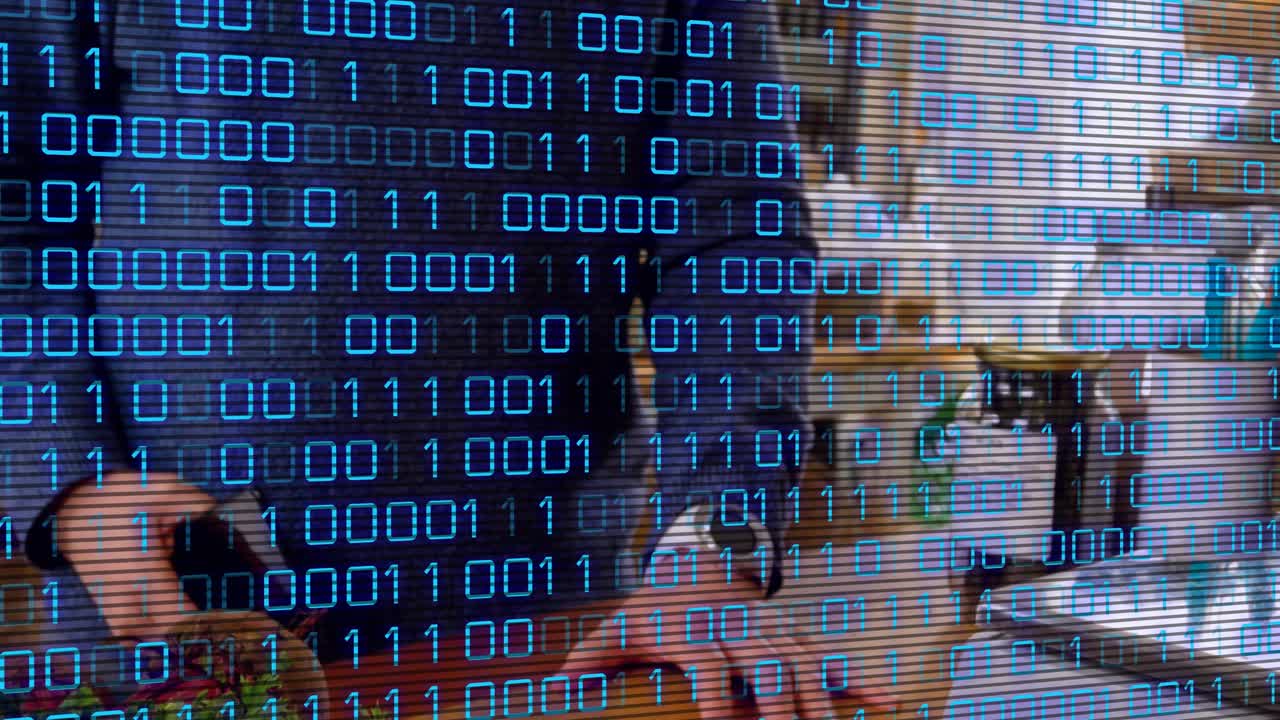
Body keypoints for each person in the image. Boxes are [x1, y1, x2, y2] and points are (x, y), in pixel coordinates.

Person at [1, 1, 879, 718]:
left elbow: (732, 230)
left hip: (549, 629)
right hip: (175, 619)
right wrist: (66, 478)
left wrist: (713, 544)